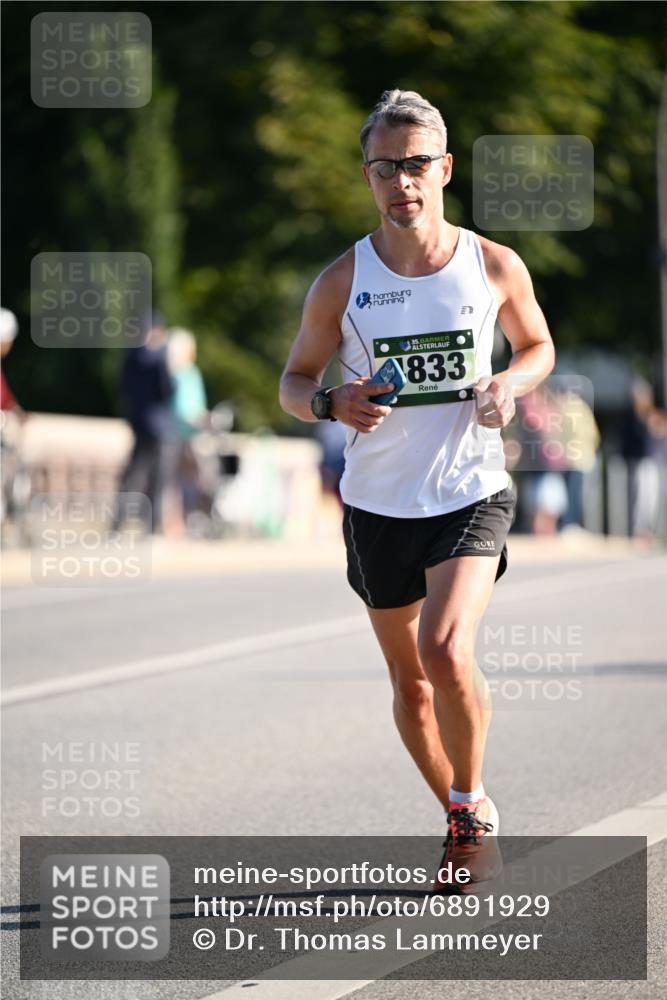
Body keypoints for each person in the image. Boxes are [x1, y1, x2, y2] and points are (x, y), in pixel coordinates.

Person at [279, 90, 554, 886]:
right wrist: (330, 401)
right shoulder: (342, 279)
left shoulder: (491, 264)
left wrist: (510, 383)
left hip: (469, 490)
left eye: (414, 165)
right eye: (382, 168)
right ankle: (466, 810)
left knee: (444, 647)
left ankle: (466, 810)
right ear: (366, 176)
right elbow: (294, 381)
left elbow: (536, 345)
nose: (400, 182)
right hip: (376, 504)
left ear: (443, 169)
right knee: (412, 686)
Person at [112, 312, 173, 534]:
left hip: (138, 422)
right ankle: (152, 528)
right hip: (158, 425)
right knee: (157, 480)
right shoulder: (158, 357)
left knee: (132, 476)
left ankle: (117, 526)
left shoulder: (130, 356)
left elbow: (123, 389)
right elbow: (167, 390)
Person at [163, 327, 208, 536]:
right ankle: (176, 525)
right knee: (178, 483)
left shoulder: (183, 373)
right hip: (179, 434)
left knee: (181, 483)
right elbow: (185, 408)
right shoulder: (183, 373)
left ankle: (179, 523)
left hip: (182, 434)